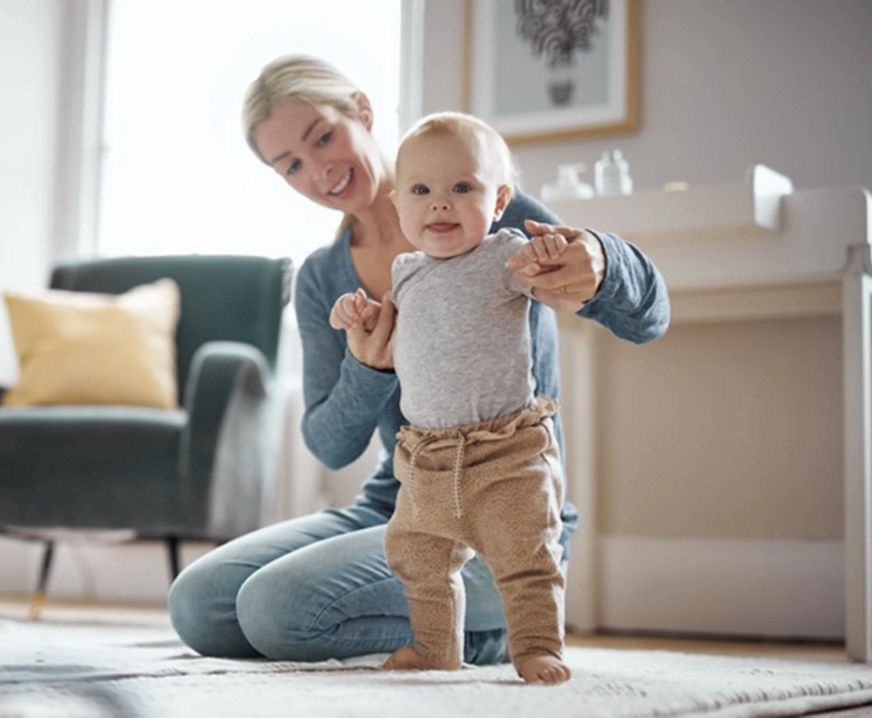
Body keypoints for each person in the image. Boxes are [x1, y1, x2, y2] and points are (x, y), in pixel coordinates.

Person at [168, 54, 669, 668]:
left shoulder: (493, 215)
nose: (318, 170)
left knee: (276, 610)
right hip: (406, 501)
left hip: (505, 507)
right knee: (200, 605)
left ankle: (489, 630)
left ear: (362, 111)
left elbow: (648, 319)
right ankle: (443, 623)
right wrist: (368, 369)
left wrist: (602, 258)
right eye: (290, 165)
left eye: (322, 136)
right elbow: (329, 445)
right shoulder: (325, 279)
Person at [330, 111, 573, 683]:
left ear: (499, 201)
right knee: (418, 557)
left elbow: (558, 291)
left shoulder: (506, 254)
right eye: (421, 190)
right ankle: (437, 647)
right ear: (399, 204)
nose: (440, 204)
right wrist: (357, 316)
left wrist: (552, 260)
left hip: (505, 452)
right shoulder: (406, 272)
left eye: (462, 188)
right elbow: (389, 336)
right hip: (426, 456)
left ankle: (539, 646)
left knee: (527, 559)